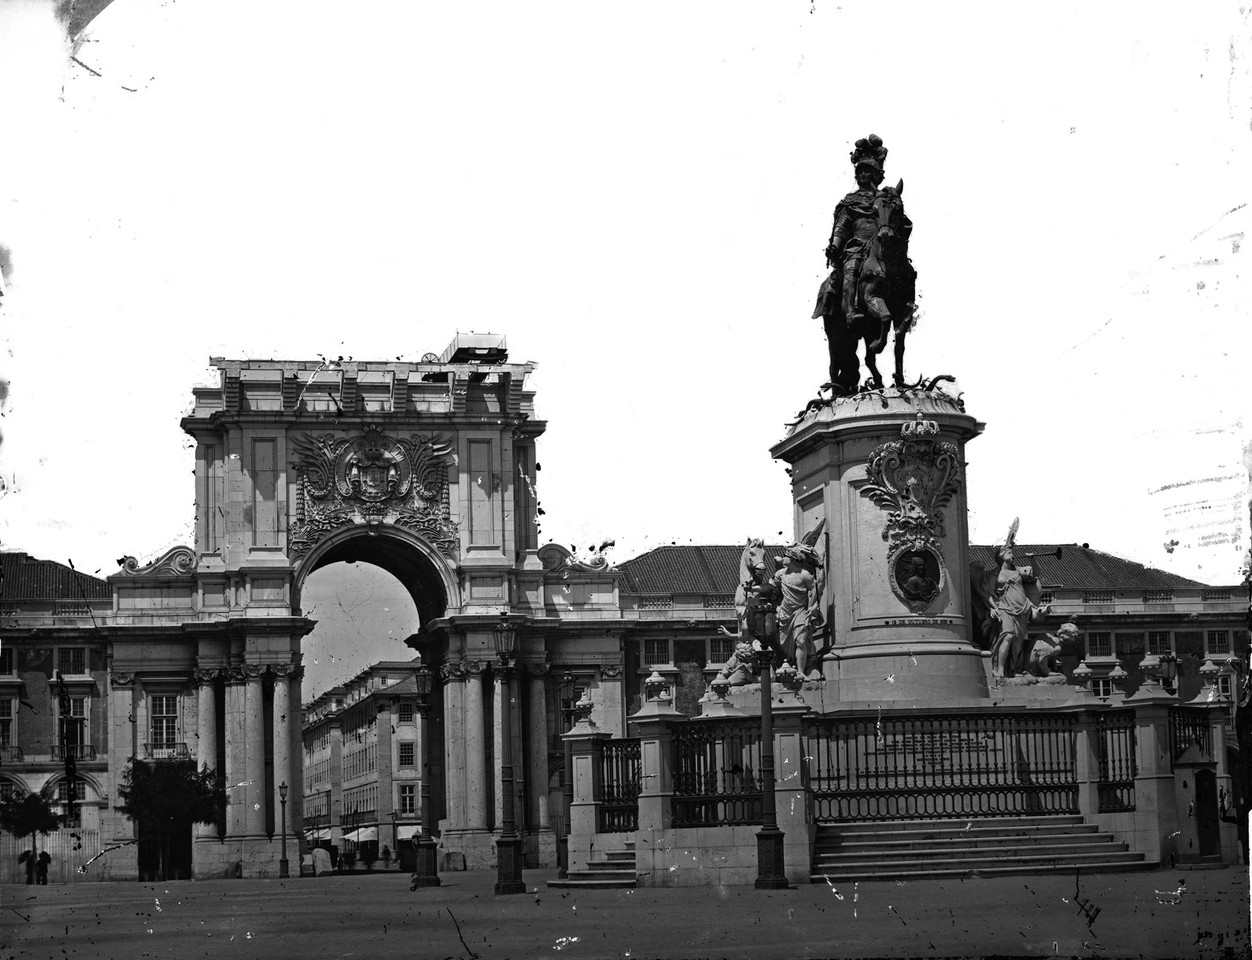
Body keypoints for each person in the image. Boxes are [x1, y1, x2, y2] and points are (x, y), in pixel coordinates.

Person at [812, 134, 914, 393]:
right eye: (859, 171)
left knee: (906, 272)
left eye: (867, 171)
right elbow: (842, 226)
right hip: (857, 247)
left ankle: (906, 306)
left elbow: (900, 223)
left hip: (884, 247)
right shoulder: (850, 202)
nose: (862, 175)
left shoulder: (886, 198)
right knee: (850, 268)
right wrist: (835, 245)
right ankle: (851, 312)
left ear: (877, 174)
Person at [989, 544, 1052, 678]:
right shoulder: (994, 574)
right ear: (1001, 556)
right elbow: (988, 593)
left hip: (1022, 609)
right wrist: (992, 607)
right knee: (1008, 636)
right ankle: (1000, 669)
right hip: (1005, 608)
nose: (1013, 555)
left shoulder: (1018, 571)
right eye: (1009, 553)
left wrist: (1032, 560)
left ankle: (1014, 669)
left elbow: (1036, 573)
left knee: (1017, 642)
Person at [773, 543, 823, 677]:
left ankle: (801, 672)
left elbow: (817, 591)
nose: (783, 558)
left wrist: (814, 606)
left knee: (801, 641)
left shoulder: (804, 574)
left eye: (786, 556)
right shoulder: (780, 574)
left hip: (801, 611)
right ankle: (791, 665)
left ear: (793, 559)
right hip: (785, 613)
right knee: (784, 645)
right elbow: (771, 589)